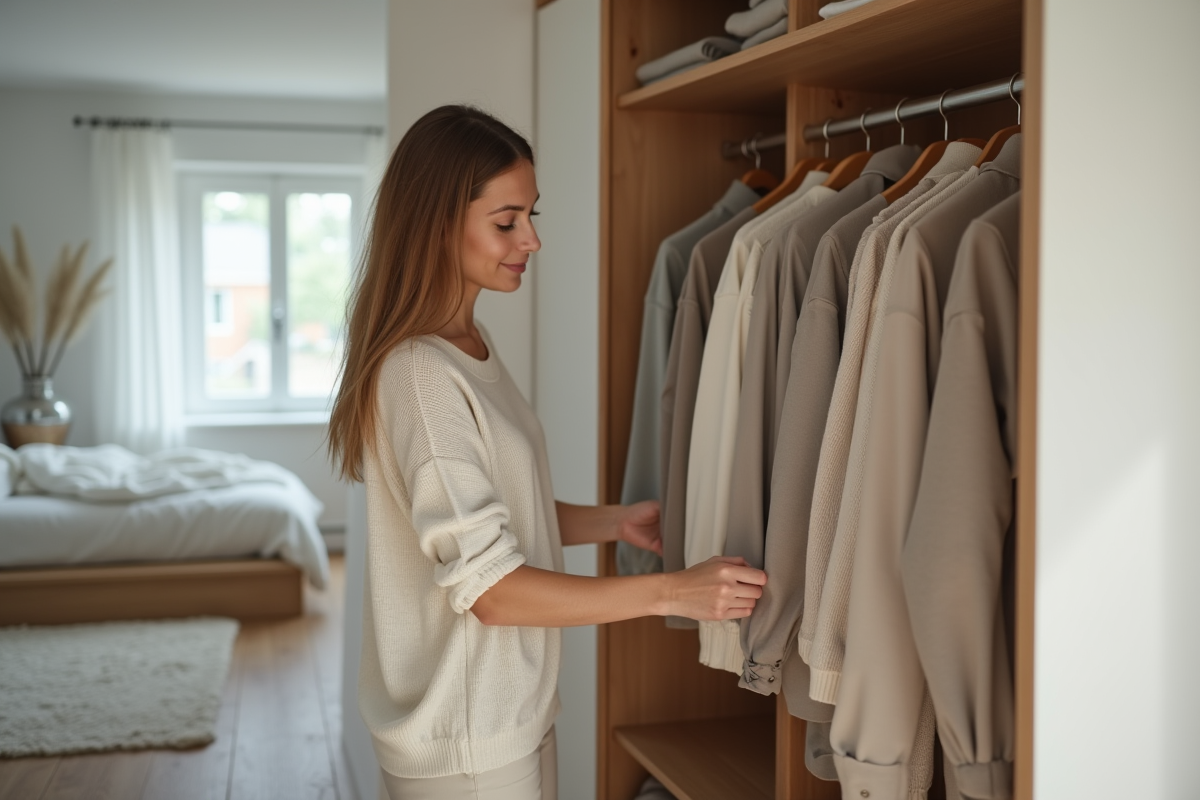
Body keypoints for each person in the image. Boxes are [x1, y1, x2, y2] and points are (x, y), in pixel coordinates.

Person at [327, 105, 767, 800]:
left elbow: (489, 514)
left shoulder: (467, 348)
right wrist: (674, 592)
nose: (530, 240)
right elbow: (493, 592)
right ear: (438, 222)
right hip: (469, 742)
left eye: (532, 216)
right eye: (507, 221)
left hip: (507, 713)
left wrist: (611, 522)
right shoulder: (420, 375)